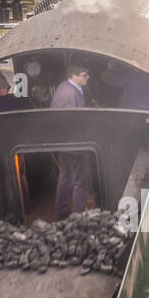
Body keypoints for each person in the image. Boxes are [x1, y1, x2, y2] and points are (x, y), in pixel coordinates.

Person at [50, 64, 92, 219]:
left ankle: (62, 211)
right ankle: (79, 216)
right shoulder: (70, 94)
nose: (88, 77)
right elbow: (73, 120)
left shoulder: (63, 86)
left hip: (62, 143)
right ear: (74, 76)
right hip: (73, 143)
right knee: (80, 181)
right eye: (84, 75)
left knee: (65, 177)